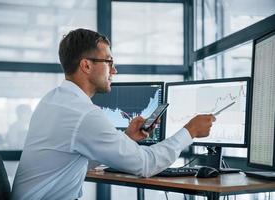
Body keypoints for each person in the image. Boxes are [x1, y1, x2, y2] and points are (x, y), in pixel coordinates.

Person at [11, 28, 216, 200]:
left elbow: (71, 158)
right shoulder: (83, 114)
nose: (114, 70)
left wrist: (125, 139)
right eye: (109, 62)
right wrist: (190, 131)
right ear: (86, 65)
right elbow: (145, 164)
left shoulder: (53, 100)